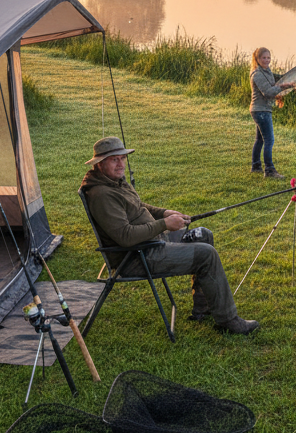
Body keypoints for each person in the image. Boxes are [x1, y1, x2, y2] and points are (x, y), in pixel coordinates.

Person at [81, 136, 259, 335]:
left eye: (123, 158)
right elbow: (125, 237)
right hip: (137, 256)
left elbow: (138, 208)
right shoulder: (102, 195)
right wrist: (165, 224)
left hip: (150, 243)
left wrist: (165, 213)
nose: (121, 164)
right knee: (206, 254)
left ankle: (203, 309)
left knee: (203, 235)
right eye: (115, 160)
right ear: (100, 163)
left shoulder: (115, 182)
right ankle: (229, 320)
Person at [249, 47, 295, 179]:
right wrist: (281, 87)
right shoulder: (257, 74)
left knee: (260, 139)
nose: (266, 60)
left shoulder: (266, 71)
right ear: (257, 59)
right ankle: (269, 170)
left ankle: (256, 166)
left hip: (261, 110)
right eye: (264, 58)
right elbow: (268, 92)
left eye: (268, 57)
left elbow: (278, 79)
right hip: (261, 110)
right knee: (269, 140)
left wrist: (290, 83)